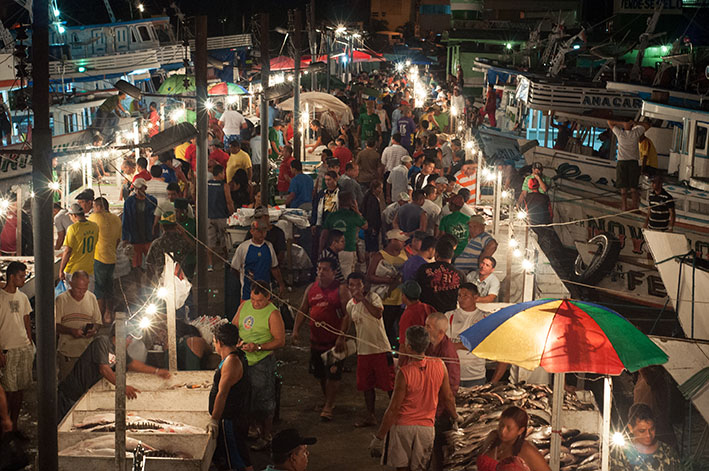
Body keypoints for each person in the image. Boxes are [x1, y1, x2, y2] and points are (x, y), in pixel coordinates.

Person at [369, 326, 457, 471]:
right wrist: (456, 417)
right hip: (426, 429)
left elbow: (393, 409)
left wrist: (379, 437)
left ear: (409, 347)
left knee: (402, 468)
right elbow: (448, 397)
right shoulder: (440, 365)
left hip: (403, 428)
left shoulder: (404, 373)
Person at [57, 324, 170, 420]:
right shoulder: (102, 342)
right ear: (120, 336)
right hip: (69, 394)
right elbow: (104, 369)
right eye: (129, 338)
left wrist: (157, 371)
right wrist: (122, 387)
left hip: (83, 395)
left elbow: (132, 364)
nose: (130, 342)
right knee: (62, 425)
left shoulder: (119, 351)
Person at [293, 258, 349, 422]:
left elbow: (348, 315)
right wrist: (295, 330)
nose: (321, 272)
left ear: (334, 272)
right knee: (320, 374)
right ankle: (328, 400)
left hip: (334, 343)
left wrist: (342, 337)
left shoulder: (341, 289)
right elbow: (303, 309)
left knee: (333, 375)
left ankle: (329, 406)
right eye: (319, 269)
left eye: (325, 269)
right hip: (316, 341)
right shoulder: (311, 288)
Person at [233, 282, 285, 451]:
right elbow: (235, 325)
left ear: (268, 297)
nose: (255, 304)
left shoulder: (273, 314)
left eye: (260, 301)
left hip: (262, 362)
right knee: (247, 397)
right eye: (253, 299)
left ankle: (266, 435)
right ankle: (253, 427)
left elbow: (280, 341)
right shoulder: (244, 306)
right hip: (244, 360)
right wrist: (237, 340)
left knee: (264, 399)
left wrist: (258, 347)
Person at [339, 273, 393, 427]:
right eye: (352, 285)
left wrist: (363, 299)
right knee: (366, 386)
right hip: (363, 351)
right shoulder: (350, 304)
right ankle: (370, 416)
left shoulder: (373, 297)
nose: (355, 288)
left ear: (364, 286)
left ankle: (399, 414)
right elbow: (347, 319)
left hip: (380, 349)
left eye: (358, 285)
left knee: (389, 384)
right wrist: (341, 337)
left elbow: (378, 314)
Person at [207, 323, 252, 471]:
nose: (214, 344)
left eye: (214, 341)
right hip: (235, 417)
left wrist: (214, 420)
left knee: (238, 460)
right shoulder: (233, 357)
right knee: (239, 456)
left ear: (219, 342)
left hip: (231, 421)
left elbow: (222, 394)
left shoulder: (232, 362)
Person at [425, 312, 461, 471]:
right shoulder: (430, 344)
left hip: (439, 411)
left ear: (440, 332)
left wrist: (451, 414)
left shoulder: (447, 352)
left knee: (438, 450)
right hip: (428, 407)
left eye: (428, 326)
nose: (425, 329)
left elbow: (450, 389)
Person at [0, 262, 33, 432]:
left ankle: (14, 424)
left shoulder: (23, 297)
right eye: (21, 276)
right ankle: (5, 424)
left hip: (23, 347)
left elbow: (26, 320)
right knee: (8, 390)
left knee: (20, 388)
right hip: (7, 348)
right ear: (12, 277)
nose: (23, 279)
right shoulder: (1, 297)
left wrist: (30, 342)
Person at [444, 283, 498, 387]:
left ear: (475, 297)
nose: (461, 299)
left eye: (465, 295)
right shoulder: (449, 316)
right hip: (452, 375)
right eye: (459, 295)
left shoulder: (485, 317)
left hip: (475, 376)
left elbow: (482, 343)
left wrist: (457, 345)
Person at [54, 271, 102, 380]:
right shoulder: (61, 299)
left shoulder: (91, 298)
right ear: (71, 284)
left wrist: (94, 330)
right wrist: (71, 331)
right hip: (68, 352)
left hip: (86, 352)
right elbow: (55, 325)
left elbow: (98, 322)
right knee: (67, 381)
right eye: (78, 289)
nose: (81, 292)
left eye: (84, 289)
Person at [367, 229, 408, 349]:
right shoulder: (380, 256)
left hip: (401, 301)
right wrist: (387, 280)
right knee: (386, 329)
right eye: (401, 241)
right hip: (385, 300)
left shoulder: (404, 253)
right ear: (392, 241)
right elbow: (369, 276)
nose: (403, 243)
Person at [477, 406, 550, 471]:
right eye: (501, 425)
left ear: (520, 431)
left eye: (509, 428)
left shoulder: (527, 451)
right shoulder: (493, 437)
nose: (503, 431)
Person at [611, 403, 680, 471]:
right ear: (631, 428)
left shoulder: (668, 453)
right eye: (642, 431)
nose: (648, 435)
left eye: (652, 429)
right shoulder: (620, 454)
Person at [231, 220, 285, 302]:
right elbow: (234, 268)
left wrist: (281, 284)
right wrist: (244, 278)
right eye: (259, 231)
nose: (262, 234)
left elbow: (274, 267)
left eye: (264, 231)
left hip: (266, 293)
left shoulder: (269, 246)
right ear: (252, 231)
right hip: (248, 294)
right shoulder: (243, 248)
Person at [88, 197, 121, 321]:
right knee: (109, 287)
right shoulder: (116, 219)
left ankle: (99, 317)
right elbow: (118, 240)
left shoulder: (94, 218)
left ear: (99, 207)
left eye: (94, 207)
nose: (93, 209)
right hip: (111, 257)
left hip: (99, 258)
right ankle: (109, 314)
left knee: (99, 289)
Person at [321, 192, 367, 279]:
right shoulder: (353, 216)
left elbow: (324, 234)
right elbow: (365, 226)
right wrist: (357, 211)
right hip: (348, 249)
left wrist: (321, 249)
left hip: (332, 250)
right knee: (347, 276)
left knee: (333, 275)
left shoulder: (332, 216)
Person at [607, 119, 651, 210]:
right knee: (633, 187)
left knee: (623, 187)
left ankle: (624, 206)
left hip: (622, 162)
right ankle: (634, 206)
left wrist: (621, 123)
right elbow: (648, 125)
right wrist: (635, 123)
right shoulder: (636, 133)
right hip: (633, 162)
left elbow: (609, 122)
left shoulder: (620, 133)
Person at [415, 239, 464, 313]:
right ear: (451, 256)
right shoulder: (460, 275)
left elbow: (417, 291)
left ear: (436, 254)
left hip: (427, 313)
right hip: (449, 315)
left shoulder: (424, 269)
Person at [145, 211, 196, 281]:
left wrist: (149, 282)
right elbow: (194, 248)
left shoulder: (156, 244)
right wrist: (184, 234)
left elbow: (149, 267)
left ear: (162, 226)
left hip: (162, 282)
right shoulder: (182, 242)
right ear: (176, 226)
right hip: (180, 281)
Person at [59, 203, 100, 289]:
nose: (70, 218)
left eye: (70, 216)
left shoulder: (73, 228)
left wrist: (61, 270)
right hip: (89, 269)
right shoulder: (94, 226)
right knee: (87, 295)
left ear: (74, 215)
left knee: (74, 296)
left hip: (74, 270)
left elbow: (68, 251)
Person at [122, 178, 157, 268]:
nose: (137, 191)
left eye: (140, 188)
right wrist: (125, 238)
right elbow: (125, 220)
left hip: (148, 236)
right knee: (136, 264)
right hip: (135, 237)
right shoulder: (129, 202)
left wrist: (155, 232)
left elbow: (155, 218)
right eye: (136, 188)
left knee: (151, 262)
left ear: (145, 188)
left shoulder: (152, 200)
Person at [207, 164, 235, 271]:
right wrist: (232, 214)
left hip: (209, 216)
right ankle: (225, 261)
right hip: (222, 216)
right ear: (219, 174)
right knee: (224, 240)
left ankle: (210, 264)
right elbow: (229, 201)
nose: (224, 175)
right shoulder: (224, 186)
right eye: (223, 173)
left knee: (210, 241)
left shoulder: (207, 184)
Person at [360, 180, 383, 259]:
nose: (381, 190)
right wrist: (372, 227)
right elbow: (372, 215)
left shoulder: (368, 196)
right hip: (372, 228)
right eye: (379, 188)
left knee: (368, 248)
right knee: (372, 249)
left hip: (369, 227)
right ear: (374, 189)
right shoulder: (372, 200)